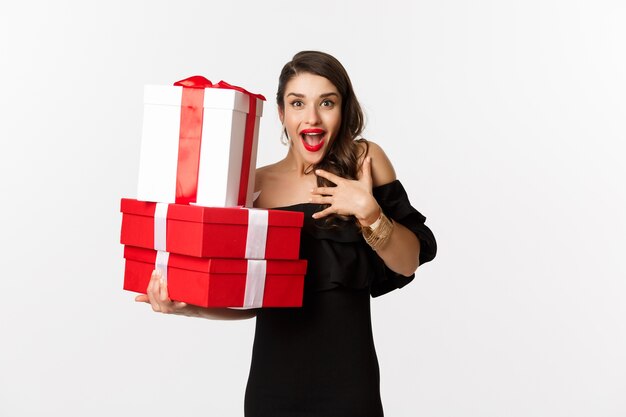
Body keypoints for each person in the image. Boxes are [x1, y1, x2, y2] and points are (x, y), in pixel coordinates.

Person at [136, 50, 437, 416]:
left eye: (327, 102)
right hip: (273, 390)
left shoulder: (364, 162)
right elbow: (252, 305)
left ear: (343, 109)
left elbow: (408, 263)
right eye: (298, 103)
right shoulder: (254, 184)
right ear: (281, 113)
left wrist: (369, 212)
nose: (312, 117)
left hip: (349, 390)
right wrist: (189, 308)